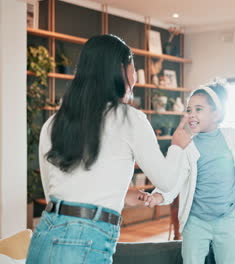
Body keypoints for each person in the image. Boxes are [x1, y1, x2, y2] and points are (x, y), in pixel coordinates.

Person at [26, 34, 191, 264]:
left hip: (45, 235)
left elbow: (55, 193)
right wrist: (177, 147)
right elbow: (167, 181)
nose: (134, 75)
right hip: (87, 239)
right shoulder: (129, 118)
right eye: (133, 66)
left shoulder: (53, 123)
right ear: (122, 69)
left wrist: (119, 197)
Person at [139, 79, 235, 264]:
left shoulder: (232, 137)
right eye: (189, 110)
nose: (191, 114)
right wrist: (158, 196)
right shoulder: (187, 144)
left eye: (199, 109)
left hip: (227, 222)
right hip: (195, 223)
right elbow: (175, 177)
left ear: (216, 113)